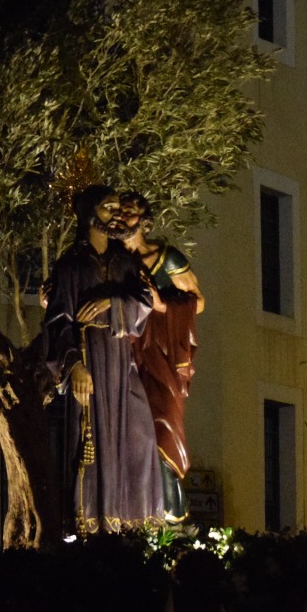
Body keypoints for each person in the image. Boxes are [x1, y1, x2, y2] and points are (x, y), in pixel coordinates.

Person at [43, 185, 161, 530]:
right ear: (89, 213)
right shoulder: (71, 266)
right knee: (90, 442)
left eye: (117, 207)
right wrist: (74, 366)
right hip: (89, 361)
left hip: (121, 363)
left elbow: (145, 302)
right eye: (108, 207)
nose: (116, 214)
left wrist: (112, 301)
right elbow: (57, 321)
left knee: (141, 438)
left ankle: (132, 524)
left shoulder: (125, 262)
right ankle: (92, 527)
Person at [118, 191, 202, 522]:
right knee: (127, 432)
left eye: (130, 211)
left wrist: (162, 305)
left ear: (145, 221)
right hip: (123, 354)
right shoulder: (110, 261)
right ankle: (134, 516)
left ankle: (173, 517)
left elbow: (198, 301)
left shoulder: (165, 258)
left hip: (161, 357)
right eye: (119, 211)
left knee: (163, 426)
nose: (123, 217)